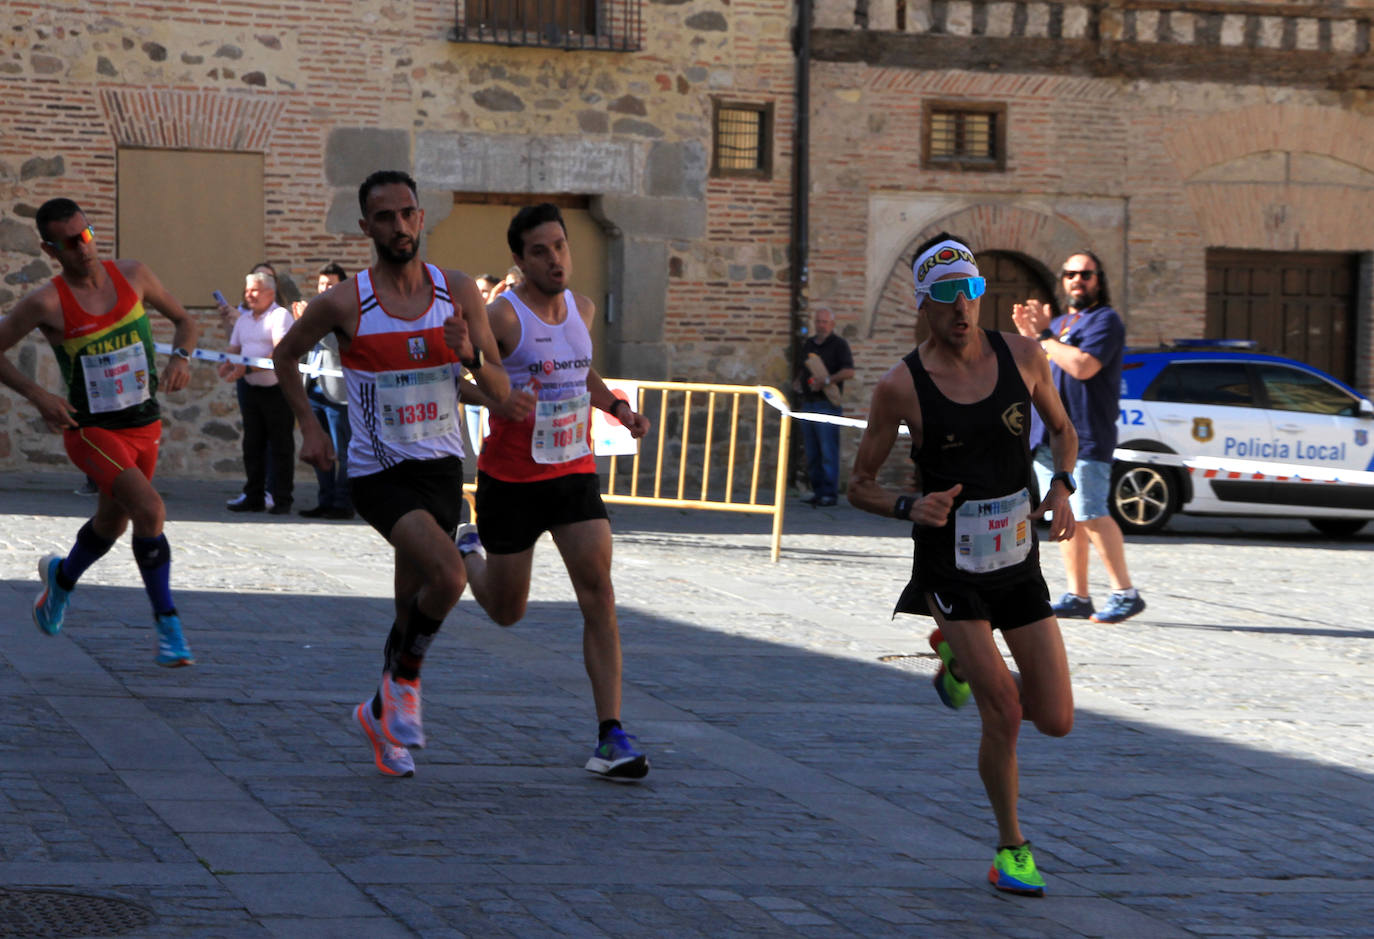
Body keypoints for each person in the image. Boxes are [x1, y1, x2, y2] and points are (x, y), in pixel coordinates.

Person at [847, 233, 1077, 896]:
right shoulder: (901, 386)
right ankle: (1012, 847)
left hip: (1017, 559)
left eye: (971, 292)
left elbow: (1063, 429)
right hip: (951, 567)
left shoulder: (1025, 355)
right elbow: (858, 482)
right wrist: (906, 505)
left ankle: (952, 654)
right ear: (922, 303)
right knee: (1002, 708)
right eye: (946, 295)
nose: (961, 308)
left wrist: (1063, 486)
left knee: (1056, 716)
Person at [274, 170, 517, 778]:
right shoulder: (345, 302)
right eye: (385, 217)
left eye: (408, 213)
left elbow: (498, 388)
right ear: (366, 227)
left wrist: (469, 355)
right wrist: (307, 426)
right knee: (450, 574)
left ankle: (381, 720)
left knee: (412, 603)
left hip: (440, 466)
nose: (399, 226)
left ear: (421, 217)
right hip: (380, 474)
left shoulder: (456, 291)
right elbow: (283, 355)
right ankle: (406, 682)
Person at [455, 202, 653, 781]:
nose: (555, 259)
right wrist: (495, 398)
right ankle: (468, 550)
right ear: (518, 260)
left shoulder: (582, 309)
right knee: (507, 611)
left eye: (560, 246)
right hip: (510, 481)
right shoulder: (503, 317)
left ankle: (610, 734)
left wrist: (617, 406)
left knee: (599, 594)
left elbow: (578, 371)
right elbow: (456, 378)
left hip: (571, 474)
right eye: (540, 251)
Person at [0, 197, 199, 666]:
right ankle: (169, 627)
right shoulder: (45, 301)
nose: (83, 248)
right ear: (52, 250)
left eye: (86, 234)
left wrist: (181, 358)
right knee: (150, 510)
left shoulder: (133, 274)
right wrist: (39, 395)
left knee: (112, 523)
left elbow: (186, 321)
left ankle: (59, 583)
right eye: (70, 242)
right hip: (90, 429)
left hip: (144, 424)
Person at [1012, 252, 1146, 624]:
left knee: (1091, 513)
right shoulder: (1060, 322)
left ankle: (1125, 592)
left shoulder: (1106, 321)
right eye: (1070, 274)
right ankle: (1077, 595)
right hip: (1049, 435)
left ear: (1098, 280)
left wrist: (1042, 336)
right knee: (1066, 513)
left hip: (1086, 435)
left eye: (1085, 274)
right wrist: (1029, 340)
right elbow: (1041, 366)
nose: (1077, 280)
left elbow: (1082, 366)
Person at [218, 270, 295, 514]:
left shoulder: (280, 316)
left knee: (281, 446)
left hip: (278, 390)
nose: (249, 295)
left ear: (270, 293)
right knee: (252, 445)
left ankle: (282, 499)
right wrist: (227, 363)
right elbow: (234, 346)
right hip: (251, 389)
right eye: (247, 290)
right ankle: (254, 495)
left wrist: (245, 368)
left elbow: (280, 354)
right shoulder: (243, 319)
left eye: (255, 290)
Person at [296, 263, 354, 519]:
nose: (324, 288)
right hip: (314, 390)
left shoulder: (347, 313)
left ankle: (343, 503)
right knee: (320, 450)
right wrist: (302, 324)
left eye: (330, 284)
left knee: (344, 451)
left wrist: (312, 324)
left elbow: (339, 347)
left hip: (338, 394)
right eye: (322, 284)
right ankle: (325, 500)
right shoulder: (315, 312)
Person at [792, 306, 854, 506]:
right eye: (818, 321)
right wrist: (799, 381)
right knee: (812, 452)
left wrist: (827, 380)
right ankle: (818, 492)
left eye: (825, 322)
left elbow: (849, 371)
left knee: (828, 452)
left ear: (832, 324)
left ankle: (829, 494)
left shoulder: (839, 345)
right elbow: (805, 369)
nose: (821, 325)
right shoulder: (809, 344)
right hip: (809, 404)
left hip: (828, 405)